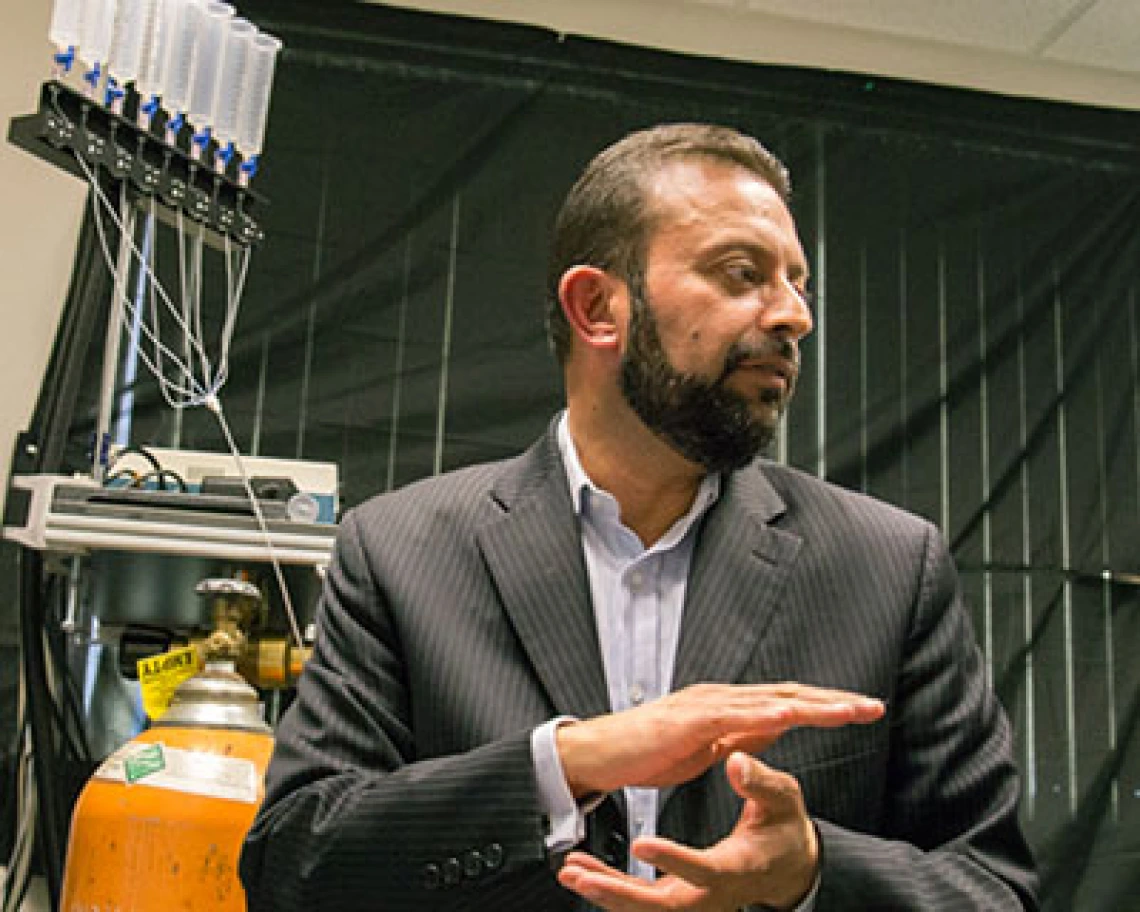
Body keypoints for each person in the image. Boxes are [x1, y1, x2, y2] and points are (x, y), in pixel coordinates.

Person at [240, 123, 1038, 911]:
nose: (794, 315)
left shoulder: (889, 568)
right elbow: (295, 866)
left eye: (798, 283)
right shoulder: (401, 551)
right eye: (741, 272)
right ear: (597, 308)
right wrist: (573, 762)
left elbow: (996, 891)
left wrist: (812, 873)